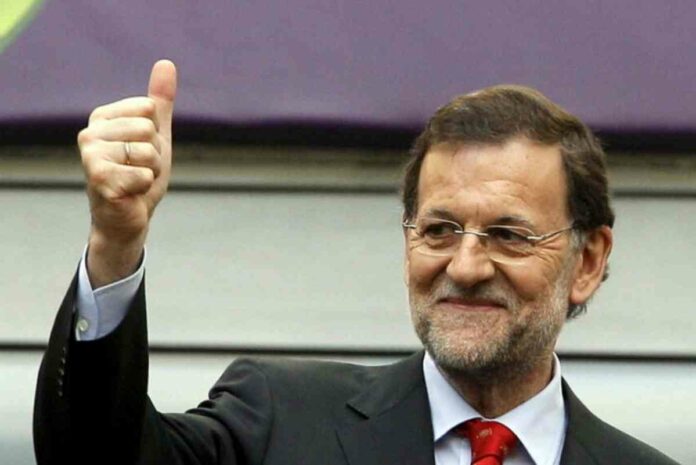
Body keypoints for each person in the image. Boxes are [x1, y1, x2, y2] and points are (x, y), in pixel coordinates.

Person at [33, 60, 679, 465]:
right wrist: (115, 243)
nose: (466, 266)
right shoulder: (279, 422)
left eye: (508, 235)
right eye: (439, 229)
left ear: (587, 260)